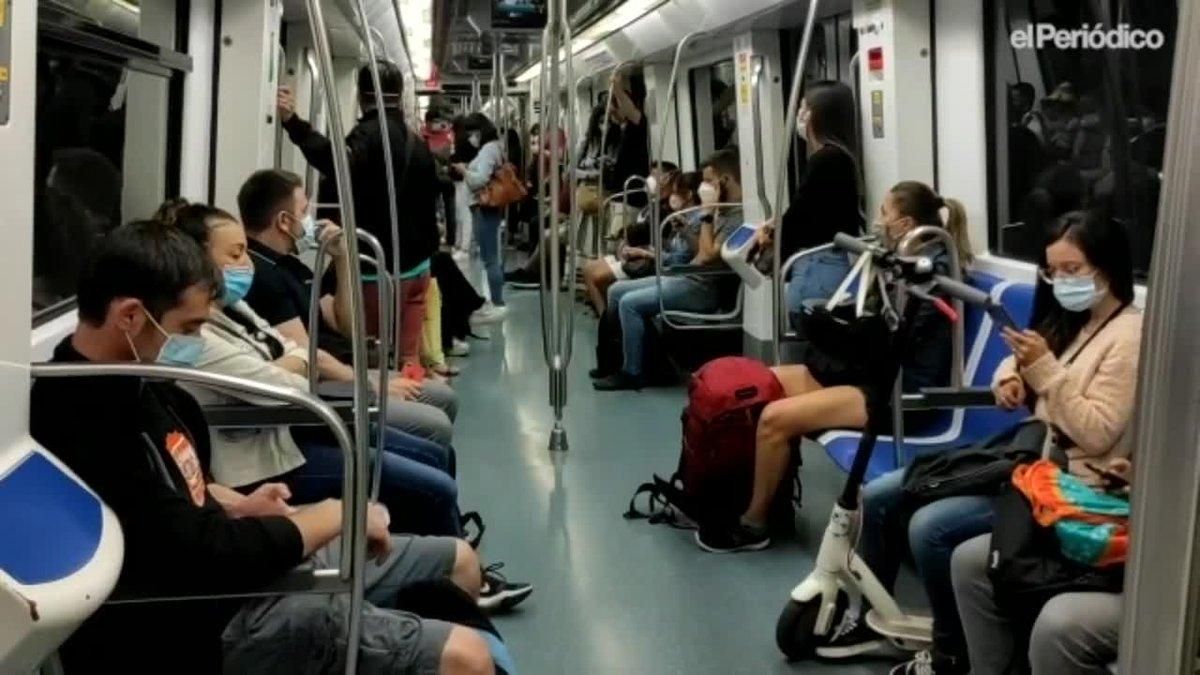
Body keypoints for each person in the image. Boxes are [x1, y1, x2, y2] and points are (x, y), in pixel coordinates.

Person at [31, 221, 497, 673]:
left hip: (232, 573)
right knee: (465, 658)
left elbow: (179, 505)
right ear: (131, 316)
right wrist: (337, 514)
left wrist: (238, 506)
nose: (194, 342)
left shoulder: (149, 387)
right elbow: (188, 553)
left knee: (458, 561)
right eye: (189, 328)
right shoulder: (79, 420)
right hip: (199, 622)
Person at [822, 210, 1141, 674]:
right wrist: (1009, 380)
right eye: (1053, 272)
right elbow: (1019, 362)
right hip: (1031, 461)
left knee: (932, 528)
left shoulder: (1128, 336)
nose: (1060, 281)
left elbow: (1095, 431)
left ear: (1107, 267)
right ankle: (879, 620)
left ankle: (951, 651)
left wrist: (1044, 372)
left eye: (1073, 270)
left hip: (1072, 486)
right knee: (885, 494)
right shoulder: (1074, 319)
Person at [695, 181, 975, 553]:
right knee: (759, 385)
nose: (878, 222)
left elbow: (896, 343)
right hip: (874, 375)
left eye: (884, 215)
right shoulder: (903, 261)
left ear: (906, 224)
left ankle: (755, 523)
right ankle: (762, 498)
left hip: (899, 391)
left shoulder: (934, 276)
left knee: (775, 418)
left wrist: (841, 338)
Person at [160, 202, 464, 538]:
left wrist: (343, 260)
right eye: (235, 255)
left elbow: (306, 346)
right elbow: (285, 382)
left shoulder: (237, 305)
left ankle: (453, 559)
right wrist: (307, 367)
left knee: (436, 453)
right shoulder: (197, 333)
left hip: (290, 427)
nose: (245, 264)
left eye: (245, 253)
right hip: (269, 457)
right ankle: (450, 565)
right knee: (434, 482)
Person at [234, 171, 459, 449]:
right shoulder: (264, 277)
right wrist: (369, 386)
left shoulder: (291, 266)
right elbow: (307, 356)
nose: (311, 221)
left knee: (444, 397)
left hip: (341, 368)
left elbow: (348, 327)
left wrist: (342, 259)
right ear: (283, 221)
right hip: (321, 385)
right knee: (435, 424)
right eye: (304, 211)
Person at [277, 61, 440, 369]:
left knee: (372, 361)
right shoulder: (416, 141)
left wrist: (292, 122)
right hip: (419, 268)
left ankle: (388, 414)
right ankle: (416, 406)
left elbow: (335, 161)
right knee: (407, 358)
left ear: (361, 96)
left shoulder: (367, 135)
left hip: (379, 268)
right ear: (401, 93)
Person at [593, 149, 744, 392]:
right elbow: (698, 252)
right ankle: (644, 362)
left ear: (723, 181)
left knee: (629, 303)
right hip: (689, 276)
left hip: (704, 287)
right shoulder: (721, 210)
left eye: (707, 181)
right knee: (616, 291)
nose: (703, 187)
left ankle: (633, 372)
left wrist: (706, 214)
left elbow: (706, 257)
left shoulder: (736, 215)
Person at [755, 80, 864, 313]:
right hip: (826, 263)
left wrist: (773, 237)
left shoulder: (826, 160)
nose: (800, 115)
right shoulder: (839, 158)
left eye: (805, 108)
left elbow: (801, 217)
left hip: (818, 265)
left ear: (821, 115)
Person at [582, 169, 696, 316]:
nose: (654, 180)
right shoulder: (654, 206)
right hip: (646, 254)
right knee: (588, 269)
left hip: (649, 261)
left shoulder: (668, 213)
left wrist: (642, 250)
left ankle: (608, 318)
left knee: (598, 277)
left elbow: (651, 238)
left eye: (658, 176)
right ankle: (606, 317)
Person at [455, 112, 509, 324]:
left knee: (490, 259)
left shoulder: (488, 149)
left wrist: (464, 171)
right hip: (488, 208)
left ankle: (497, 303)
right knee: (491, 257)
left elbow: (480, 180)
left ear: (480, 130)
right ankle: (497, 301)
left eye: (473, 133)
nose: (471, 138)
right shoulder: (496, 147)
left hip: (484, 207)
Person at [424, 106, 459, 251]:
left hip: (432, 177)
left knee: (434, 208)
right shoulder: (449, 136)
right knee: (449, 207)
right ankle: (451, 238)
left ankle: (436, 237)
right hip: (446, 177)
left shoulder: (423, 136)